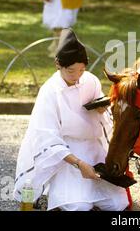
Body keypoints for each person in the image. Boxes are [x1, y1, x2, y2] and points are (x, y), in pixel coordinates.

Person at [13, 29, 129, 211]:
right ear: (58, 64)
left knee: (117, 204)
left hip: (92, 146)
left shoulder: (90, 81)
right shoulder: (50, 91)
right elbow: (46, 137)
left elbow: (101, 111)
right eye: (71, 71)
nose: (76, 76)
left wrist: (101, 109)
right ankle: (43, 193)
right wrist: (79, 164)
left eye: (82, 70)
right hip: (65, 152)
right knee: (78, 206)